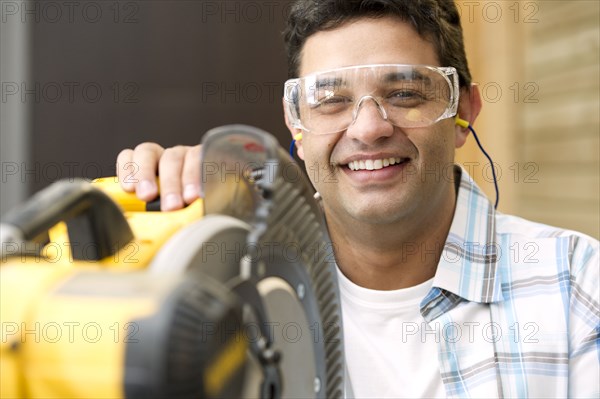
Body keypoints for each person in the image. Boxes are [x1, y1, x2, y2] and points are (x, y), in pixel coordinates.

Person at [116, 1, 599, 397]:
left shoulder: (578, 287)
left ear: (463, 113)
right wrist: (158, 230)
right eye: (331, 100)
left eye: (406, 92)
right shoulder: (230, 285)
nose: (369, 129)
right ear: (296, 126)